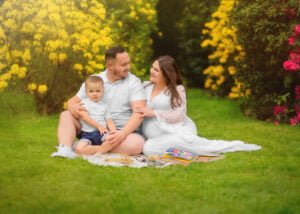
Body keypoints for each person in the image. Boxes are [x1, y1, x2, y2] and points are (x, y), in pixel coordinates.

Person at [136, 55, 261, 156]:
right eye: (152, 67)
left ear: (166, 74)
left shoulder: (177, 90)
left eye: (156, 70)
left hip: (177, 132)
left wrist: (152, 113)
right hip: (157, 138)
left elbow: (178, 115)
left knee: (149, 149)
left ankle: (231, 145)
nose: (151, 71)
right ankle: (184, 151)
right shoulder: (146, 86)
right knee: (149, 148)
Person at [51, 46, 146, 158]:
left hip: (119, 132)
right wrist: (74, 107)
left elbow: (139, 113)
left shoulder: (134, 83)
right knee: (65, 115)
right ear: (110, 66)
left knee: (136, 144)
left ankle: (84, 149)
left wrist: (122, 133)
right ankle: (65, 149)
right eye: (123, 65)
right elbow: (72, 101)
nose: (128, 67)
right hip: (90, 129)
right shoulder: (95, 80)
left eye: (128, 63)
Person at [74, 75, 116, 155]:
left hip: (102, 133)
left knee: (113, 139)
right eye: (91, 91)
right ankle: (101, 149)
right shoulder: (84, 103)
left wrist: (113, 132)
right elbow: (85, 117)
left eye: (98, 91)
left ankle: (98, 149)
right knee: (78, 149)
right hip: (87, 134)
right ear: (86, 92)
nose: (95, 94)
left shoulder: (105, 106)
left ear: (103, 91)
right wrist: (98, 126)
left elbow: (109, 121)